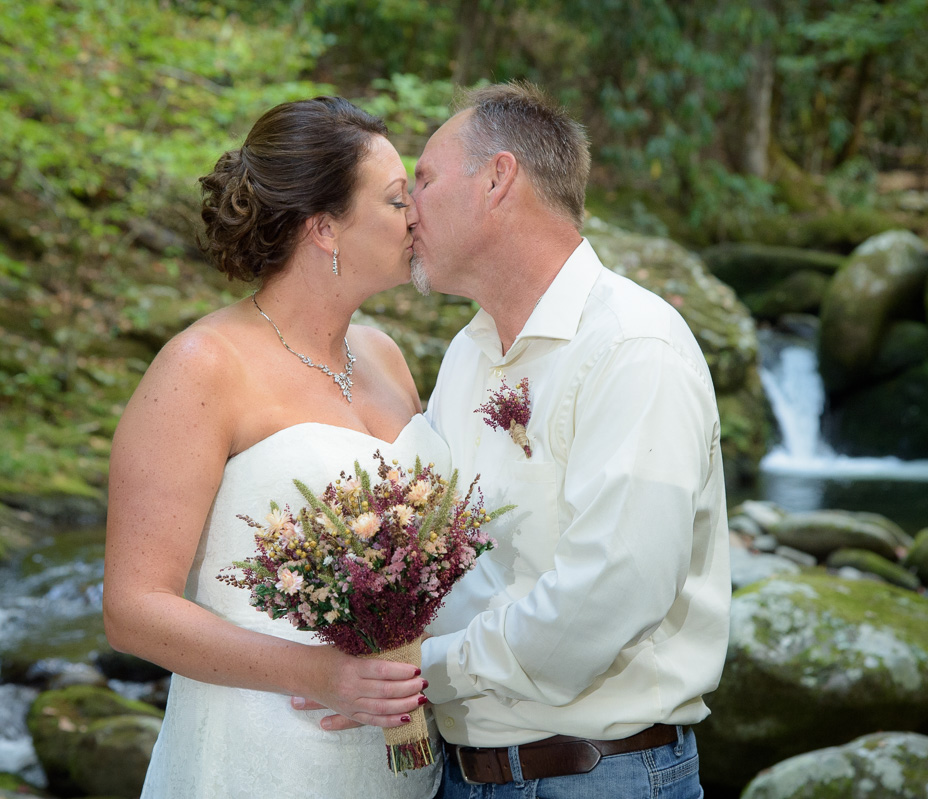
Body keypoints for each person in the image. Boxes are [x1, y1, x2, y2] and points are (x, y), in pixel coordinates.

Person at [102, 96, 444, 798]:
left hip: (400, 758)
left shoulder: (385, 356)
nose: (414, 216)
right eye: (393, 199)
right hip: (258, 756)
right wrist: (320, 674)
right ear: (324, 228)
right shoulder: (202, 365)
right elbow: (132, 606)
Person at [412, 82, 731, 797]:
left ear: (497, 179)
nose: (408, 207)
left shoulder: (633, 345)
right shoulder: (466, 355)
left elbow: (608, 597)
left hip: (600, 776)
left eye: (424, 180)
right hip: (460, 772)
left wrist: (422, 667)